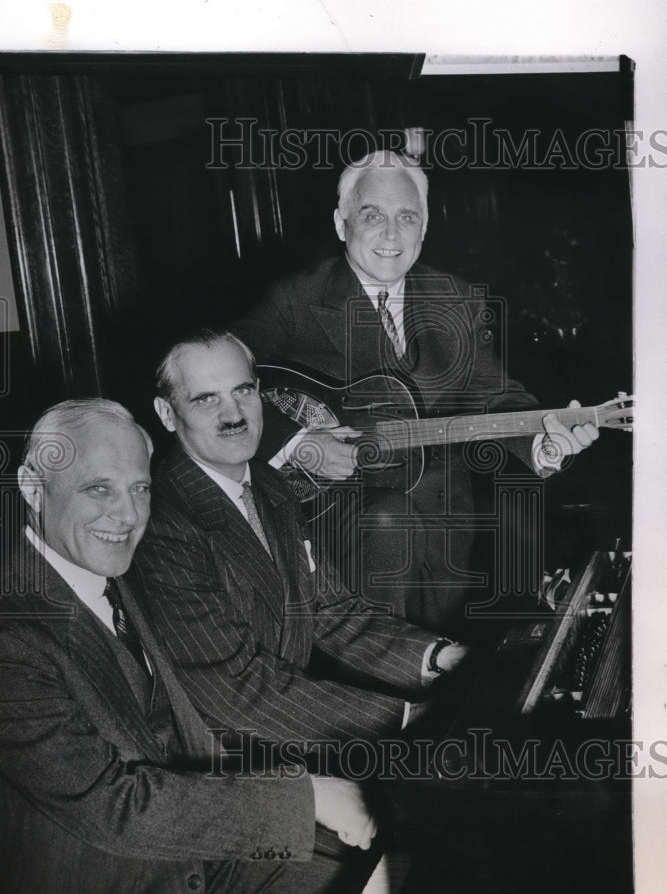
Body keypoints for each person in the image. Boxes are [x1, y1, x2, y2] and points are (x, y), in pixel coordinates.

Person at [0, 398, 380, 894]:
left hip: (196, 871)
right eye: (98, 488)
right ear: (33, 488)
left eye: (140, 488)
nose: (128, 515)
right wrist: (303, 796)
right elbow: (114, 809)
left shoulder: (112, 570)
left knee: (395, 862)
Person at [231, 150, 599, 631]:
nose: (390, 234)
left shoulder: (458, 299)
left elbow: (494, 398)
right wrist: (298, 443)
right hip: (344, 530)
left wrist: (541, 441)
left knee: (447, 674)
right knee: (383, 678)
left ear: (424, 230)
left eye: (406, 217)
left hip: (450, 534)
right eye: (372, 215)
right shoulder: (296, 300)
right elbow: (214, 385)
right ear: (341, 224)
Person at [128, 330, 467, 759]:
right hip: (225, 760)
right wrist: (403, 719)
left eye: (243, 391)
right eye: (206, 399)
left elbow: (330, 610)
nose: (234, 415)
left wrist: (440, 657)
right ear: (167, 412)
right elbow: (237, 689)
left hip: (292, 733)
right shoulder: (160, 526)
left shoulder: (267, 482)